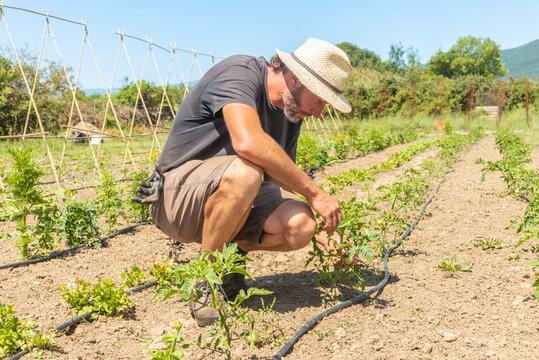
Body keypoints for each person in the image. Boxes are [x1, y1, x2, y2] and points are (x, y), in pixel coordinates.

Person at [135, 38, 353, 326]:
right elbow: (248, 143)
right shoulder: (239, 73)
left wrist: (322, 232)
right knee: (247, 171)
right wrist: (315, 193)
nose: (318, 112)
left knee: (301, 225)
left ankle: (230, 260)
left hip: (229, 197)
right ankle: (206, 280)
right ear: (296, 78)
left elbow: (279, 173)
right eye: (320, 100)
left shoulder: (290, 113)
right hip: (175, 198)